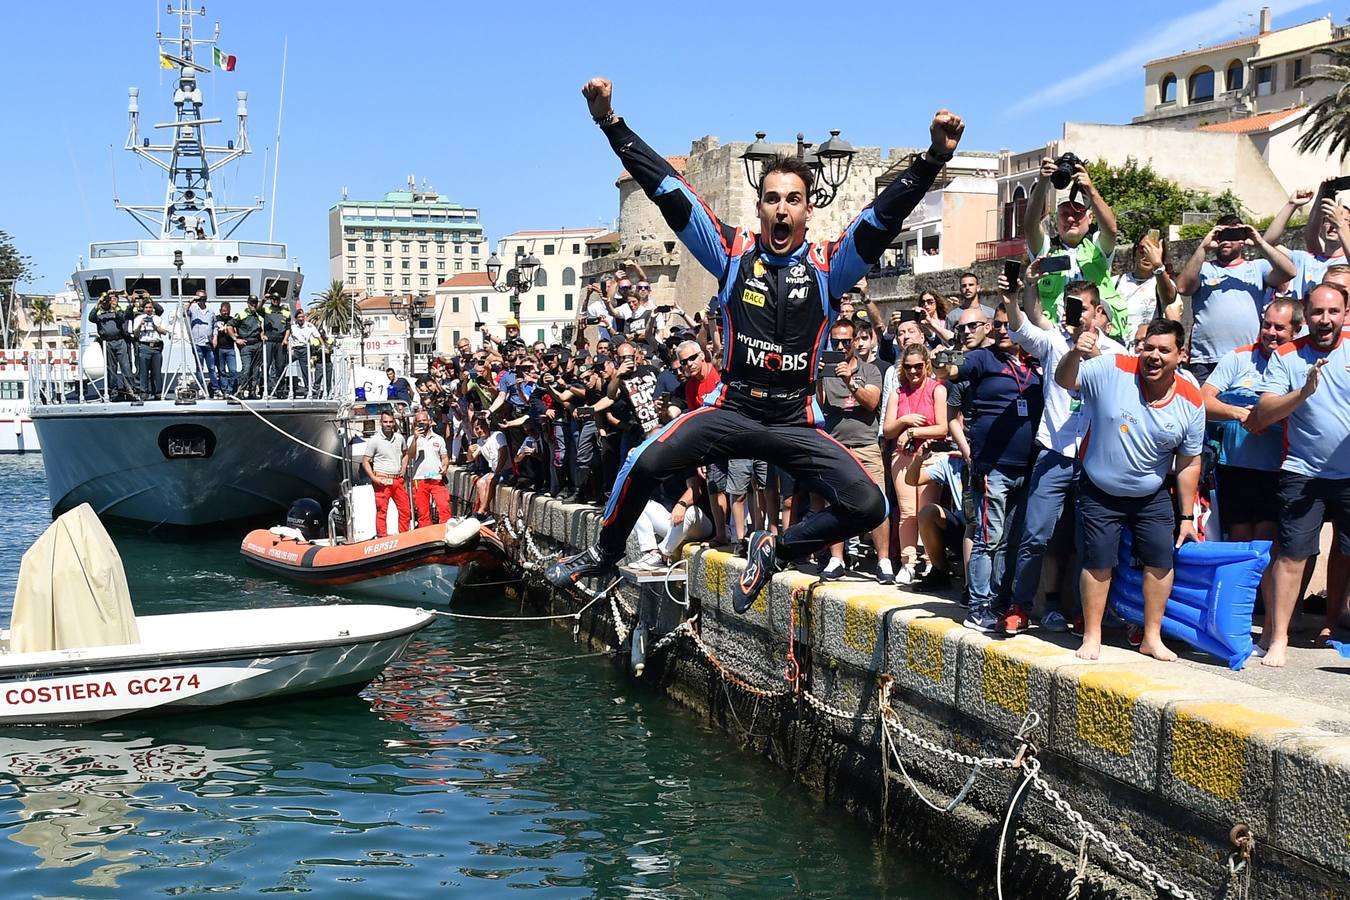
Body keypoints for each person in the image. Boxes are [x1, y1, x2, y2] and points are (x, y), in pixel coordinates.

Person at [546, 76, 964, 611]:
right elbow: (667, 190)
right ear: (759, 207)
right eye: (772, 200)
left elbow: (884, 218)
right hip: (732, 411)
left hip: (793, 423)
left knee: (869, 503)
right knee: (645, 463)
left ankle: (777, 549)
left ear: (808, 211)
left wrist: (931, 158)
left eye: (794, 200)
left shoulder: (828, 266)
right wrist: (610, 121)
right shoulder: (731, 254)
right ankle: (604, 553)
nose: (782, 210)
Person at [1055, 318, 1204, 661]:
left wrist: (1185, 516)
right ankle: (1092, 636)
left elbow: (1188, 463)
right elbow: (1065, 380)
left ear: (1181, 355)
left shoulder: (1191, 401)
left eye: (1164, 350)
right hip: (1099, 489)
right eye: (1148, 347)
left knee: (1160, 561)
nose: (1153, 356)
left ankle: (1152, 637)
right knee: (1098, 561)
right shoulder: (1113, 368)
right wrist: (1075, 353)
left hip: (1151, 495)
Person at [1005, 274, 1126, 634]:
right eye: (1068, 307)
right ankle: (1020, 607)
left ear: (1098, 311)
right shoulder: (1054, 342)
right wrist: (1015, 296)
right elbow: (1021, 327)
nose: (1073, 315)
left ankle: (1085, 614)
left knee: (1089, 540)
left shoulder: (1117, 352)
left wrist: (1096, 354)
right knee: (1035, 535)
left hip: (1094, 456)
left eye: (1081, 308)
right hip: (1054, 453)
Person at [1252, 284, 1350, 667]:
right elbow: (1263, 414)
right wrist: (1303, 392)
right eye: (1317, 312)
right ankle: (1277, 637)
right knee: (1291, 555)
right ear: (1305, 316)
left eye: (1333, 312)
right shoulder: (1288, 355)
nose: (1325, 320)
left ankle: (1335, 626)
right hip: (1302, 473)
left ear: (1344, 313)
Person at [938, 306, 1043, 632]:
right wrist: (945, 360)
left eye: (1006, 323)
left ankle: (998, 603)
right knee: (987, 539)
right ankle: (979, 606)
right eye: (996, 324)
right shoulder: (983, 359)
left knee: (1011, 541)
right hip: (992, 468)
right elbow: (949, 371)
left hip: (1026, 468)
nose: (1001, 329)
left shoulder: (1036, 364)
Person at [1173, 215, 1296, 384]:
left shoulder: (1257, 267)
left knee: (1244, 407)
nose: (1226, 241)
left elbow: (1289, 272)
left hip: (1247, 358)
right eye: (1222, 235)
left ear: (1243, 240)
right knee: (1204, 408)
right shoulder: (1203, 268)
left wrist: (1260, 243)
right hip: (1206, 360)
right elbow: (1182, 288)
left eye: (1234, 235)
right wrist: (1203, 247)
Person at [816, 317, 887, 581]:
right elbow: (820, 406)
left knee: (879, 502)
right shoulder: (827, 371)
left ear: (856, 340)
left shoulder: (870, 371)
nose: (842, 346)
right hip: (836, 445)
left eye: (847, 341)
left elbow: (871, 402)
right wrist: (817, 377)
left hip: (866, 445)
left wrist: (850, 382)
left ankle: (884, 561)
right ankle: (837, 558)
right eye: (837, 342)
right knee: (835, 503)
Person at [1024, 156, 1125, 337]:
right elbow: (1030, 225)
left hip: (1095, 336)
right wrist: (1043, 183)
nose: (1071, 218)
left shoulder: (1097, 246)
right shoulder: (1045, 248)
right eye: (1065, 213)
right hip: (1054, 335)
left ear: (1090, 218)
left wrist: (1090, 188)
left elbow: (1111, 230)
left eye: (1077, 212)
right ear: (1056, 218)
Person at [882, 343, 947, 584]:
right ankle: (908, 562)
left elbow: (942, 427)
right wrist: (905, 420)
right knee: (907, 511)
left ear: (926, 365)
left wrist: (912, 432)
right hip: (902, 455)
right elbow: (888, 429)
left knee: (926, 509)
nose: (913, 372)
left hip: (930, 455)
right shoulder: (897, 393)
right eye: (908, 367)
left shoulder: (937, 390)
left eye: (918, 366)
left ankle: (932, 562)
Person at [1111, 232, 1180, 338]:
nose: (1147, 255)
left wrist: (1158, 265)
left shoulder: (1163, 284)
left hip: (1145, 349)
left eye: (1153, 250)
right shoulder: (1115, 282)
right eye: (1142, 249)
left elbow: (1169, 299)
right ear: (1135, 251)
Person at [362, 411, 410, 537]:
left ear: (394, 422)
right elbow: (365, 461)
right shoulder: (374, 440)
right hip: (382, 479)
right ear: (381, 423)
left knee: (405, 510)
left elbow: (406, 454)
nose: (388, 424)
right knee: (382, 511)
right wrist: (373, 478)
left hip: (397, 479)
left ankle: (404, 536)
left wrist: (404, 468)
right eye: (385, 422)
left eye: (390, 422)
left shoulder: (399, 438)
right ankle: (382, 537)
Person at [405, 408, 450, 527]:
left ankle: (446, 530)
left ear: (429, 421)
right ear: (415, 423)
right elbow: (410, 455)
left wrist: (445, 467)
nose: (422, 423)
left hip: (436, 478)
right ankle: (426, 535)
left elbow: (445, 457)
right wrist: (415, 438)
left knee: (444, 506)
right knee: (422, 511)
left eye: (424, 420)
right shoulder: (412, 439)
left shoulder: (439, 439)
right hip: (419, 479)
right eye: (419, 421)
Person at [88, 292, 133, 399]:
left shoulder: (116, 311)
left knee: (125, 367)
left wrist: (115, 306)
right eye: (103, 302)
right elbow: (91, 318)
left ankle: (130, 390)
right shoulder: (99, 315)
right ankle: (113, 392)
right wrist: (98, 303)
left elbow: (123, 318)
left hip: (120, 340)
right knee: (111, 368)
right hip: (107, 342)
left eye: (106, 301)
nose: (105, 303)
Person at [229, 296, 266, 399]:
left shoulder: (258, 316)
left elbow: (260, 329)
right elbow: (229, 326)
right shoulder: (241, 314)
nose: (253, 305)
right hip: (246, 345)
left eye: (255, 303)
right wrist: (236, 339)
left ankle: (252, 391)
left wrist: (262, 334)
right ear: (248, 303)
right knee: (246, 368)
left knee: (256, 370)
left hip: (257, 345)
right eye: (251, 303)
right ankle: (241, 390)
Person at [131, 299, 168, 398]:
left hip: (156, 347)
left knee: (156, 371)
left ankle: (157, 392)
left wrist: (155, 326)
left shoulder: (157, 318)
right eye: (146, 308)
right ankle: (144, 392)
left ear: (153, 309)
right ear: (143, 309)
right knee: (143, 371)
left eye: (150, 307)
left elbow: (164, 332)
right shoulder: (138, 318)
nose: (148, 309)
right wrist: (140, 325)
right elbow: (135, 334)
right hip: (144, 346)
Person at [187, 291, 220, 398]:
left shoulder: (210, 311)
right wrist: (191, 301)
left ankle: (215, 389)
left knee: (211, 367)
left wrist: (215, 337)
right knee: (199, 367)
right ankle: (201, 388)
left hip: (208, 343)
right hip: (197, 343)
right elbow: (183, 312)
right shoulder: (192, 309)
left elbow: (215, 325)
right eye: (199, 298)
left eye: (203, 298)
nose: (201, 301)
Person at [261, 294, 292, 396]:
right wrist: (264, 299)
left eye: (277, 299)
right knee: (266, 365)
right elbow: (257, 310)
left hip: (280, 342)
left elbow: (288, 328)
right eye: (273, 299)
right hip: (269, 341)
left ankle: (280, 390)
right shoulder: (266, 310)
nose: (275, 301)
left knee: (280, 366)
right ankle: (264, 388)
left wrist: (285, 339)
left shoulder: (286, 313)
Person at [288, 308, 319, 398]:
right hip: (294, 349)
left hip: (304, 349)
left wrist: (323, 346)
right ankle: (279, 387)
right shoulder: (292, 327)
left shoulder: (309, 326)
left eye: (302, 317)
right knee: (281, 364)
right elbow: (287, 335)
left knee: (305, 370)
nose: (301, 318)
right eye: (299, 317)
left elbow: (318, 336)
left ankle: (307, 389)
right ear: (296, 318)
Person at [213, 301, 237, 396]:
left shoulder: (232, 320)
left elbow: (236, 333)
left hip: (230, 348)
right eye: (223, 311)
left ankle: (231, 389)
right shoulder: (216, 319)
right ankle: (225, 390)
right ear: (220, 310)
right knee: (221, 371)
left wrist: (228, 331)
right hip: (219, 349)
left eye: (227, 312)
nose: (225, 313)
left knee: (233, 370)